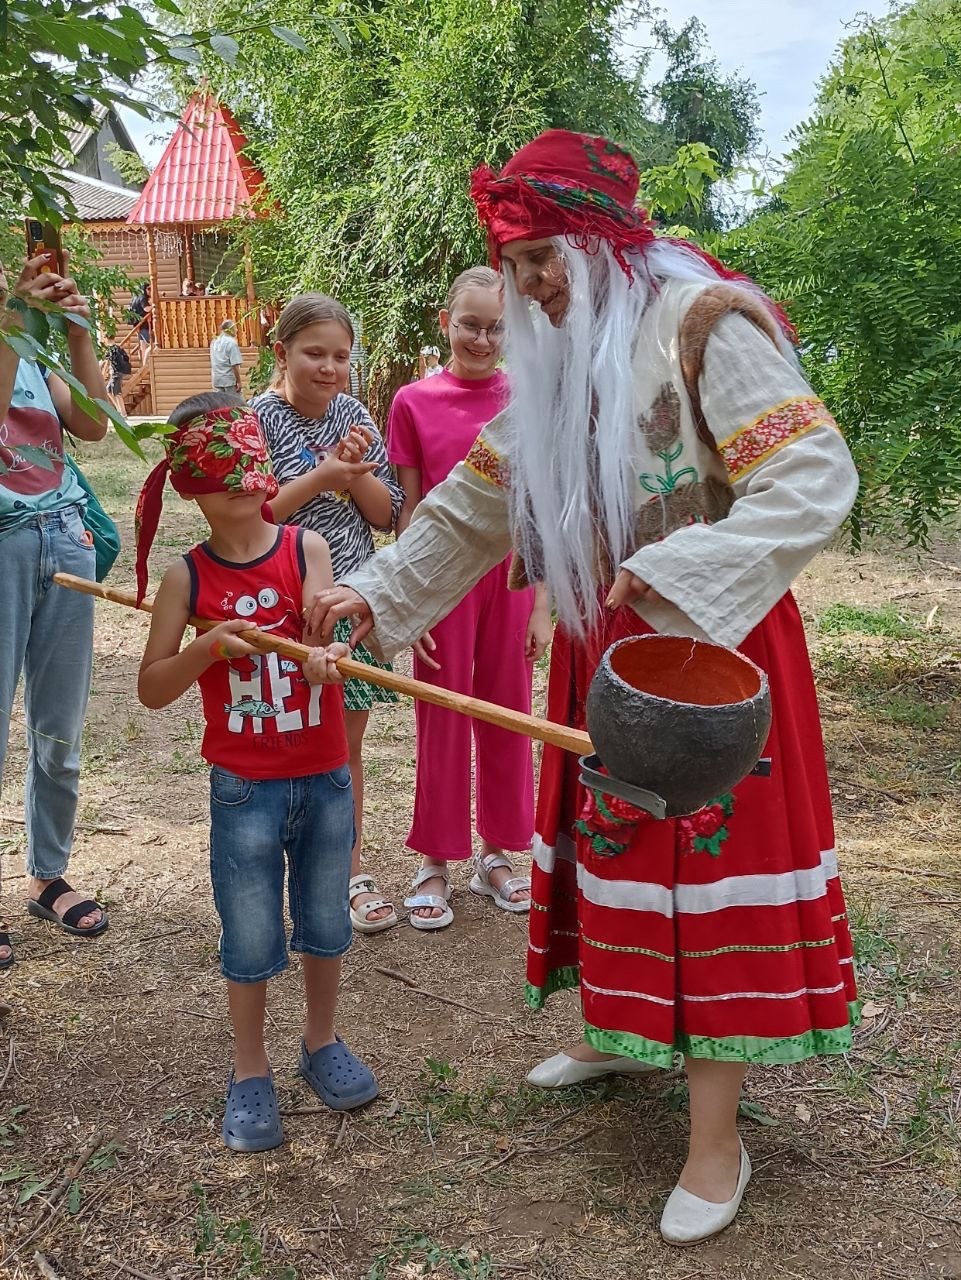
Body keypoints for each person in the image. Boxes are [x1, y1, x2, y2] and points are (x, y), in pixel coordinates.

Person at [312, 129, 861, 1244]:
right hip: (602, 653)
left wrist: (668, 578)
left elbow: (814, 477)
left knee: (700, 868)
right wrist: (373, 594)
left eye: (542, 264)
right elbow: (474, 503)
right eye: (515, 274)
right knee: (616, 853)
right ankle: (619, 1025)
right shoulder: (564, 355)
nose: (531, 293)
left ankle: (716, 1137)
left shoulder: (708, 326)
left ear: (607, 242)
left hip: (710, 653)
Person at [136, 391, 378, 1152]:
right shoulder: (187, 580)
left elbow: (320, 636)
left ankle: (321, 1040)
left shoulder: (305, 548)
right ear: (190, 484)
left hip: (324, 771)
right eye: (219, 466)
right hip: (244, 787)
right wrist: (209, 648)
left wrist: (329, 653)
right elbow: (151, 689)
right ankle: (250, 1069)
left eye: (247, 460)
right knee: (248, 933)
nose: (240, 479)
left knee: (327, 921)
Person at [387, 266, 551, 929]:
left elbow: (538, 511)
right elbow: (411, 512)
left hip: (511, 580)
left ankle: (498, 853)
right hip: (442, 582)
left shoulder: (528, 399)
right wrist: (411, 597)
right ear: (444, 323)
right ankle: (434, 858)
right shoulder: (411, 402)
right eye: (470, 325)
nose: (482, 340)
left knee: (508, 715)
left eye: (495, 328)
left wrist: (541, 605)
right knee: (441, 717)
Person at [251, 295, 405, 935]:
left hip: (351, 600)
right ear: (282, 352)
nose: (330, 367)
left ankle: (347, 871)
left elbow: (385, 512)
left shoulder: (355, 413)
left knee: (344, 749)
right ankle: (282, 869)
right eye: (315, 353)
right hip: (282, 606)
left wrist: (352, 475)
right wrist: (325, 474)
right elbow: (258, 512)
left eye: (341, 356)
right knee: (286, 744)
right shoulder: (256, 420)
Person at [0, 254, 112, 967]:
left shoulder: (33, 345)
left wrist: (76, 332)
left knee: (59, 728)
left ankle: (48, 873)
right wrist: (12, 323)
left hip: (63, 539)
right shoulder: (11, 334)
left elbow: (95, 427)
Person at [210, 319, 243, 394]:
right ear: (230, 329)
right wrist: (239, 382)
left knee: (220, 405)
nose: (236, 330)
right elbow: (234, 365)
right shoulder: (231, 343)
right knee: (234, 404)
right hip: (229, 381)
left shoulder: (214, 341)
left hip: (217, 379)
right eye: (235, 328)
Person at [101, 342, 131, 414]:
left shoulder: (110, 349)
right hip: (119, 372)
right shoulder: (118, 348)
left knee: (117, 393)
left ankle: (123, 413)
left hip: (116, 373)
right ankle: (119, 410)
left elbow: (107, 363)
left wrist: (103, 374)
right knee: (108, 390)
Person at [128, 283, 151, 354]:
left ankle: (143, 364)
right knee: (153, 344)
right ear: (143, 289)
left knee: (142, 345)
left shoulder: (134, 297)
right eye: (148, 289)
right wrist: (154, 306)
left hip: (137, 325)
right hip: (143, 325)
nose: (150, 291)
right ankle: (145, 362)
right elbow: (146, 309)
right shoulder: (142, 297)